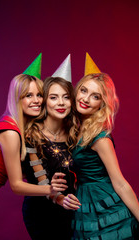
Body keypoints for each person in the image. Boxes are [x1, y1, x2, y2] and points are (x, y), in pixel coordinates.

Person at [0, 73, 66, 240]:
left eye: (39, 95)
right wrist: (51, 189)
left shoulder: (19, 128)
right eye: (28, 95)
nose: (37, 100)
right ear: (17, 98)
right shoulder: (10, 132)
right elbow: (16, 185)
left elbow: (24, 172)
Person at [61, 72, 139, 239]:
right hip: (85, 202)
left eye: (95, 96)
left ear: (101, 104)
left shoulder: (100, 137)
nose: (86, 99)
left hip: (106, 204)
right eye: (83, 91)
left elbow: (120, 183)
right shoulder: (75, 129)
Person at [22, 75, 79, 240]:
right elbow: (40, 177)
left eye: (66, 97)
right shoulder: (31, 134)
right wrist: (59, 197)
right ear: (45, 101)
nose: (61, 103)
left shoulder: (74, 133)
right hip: (42, 213)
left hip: (73, 209)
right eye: (53, 97)